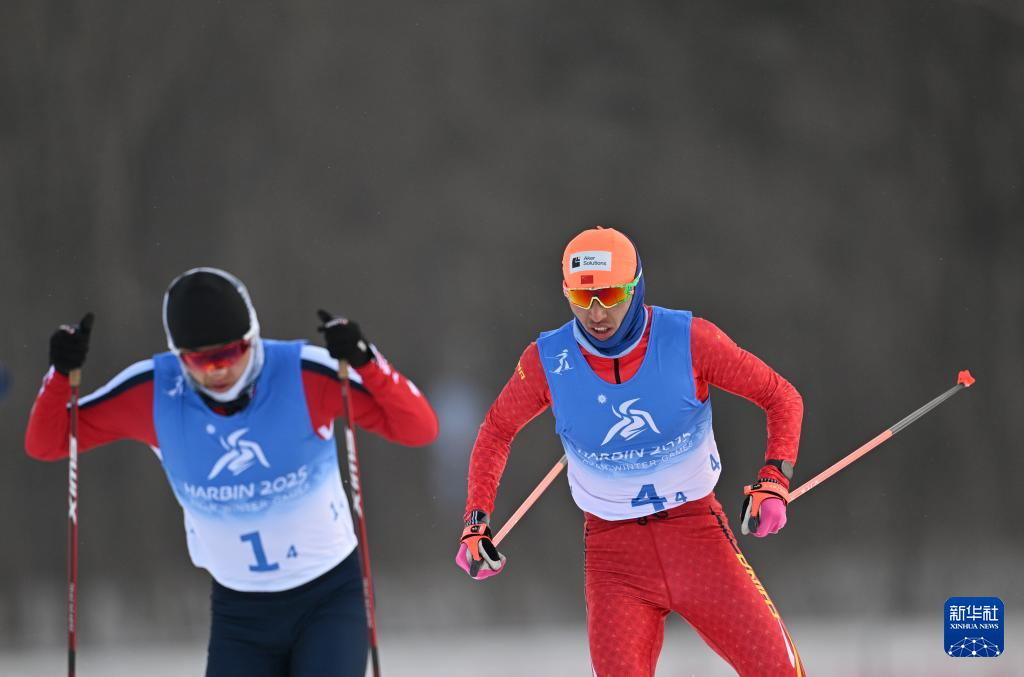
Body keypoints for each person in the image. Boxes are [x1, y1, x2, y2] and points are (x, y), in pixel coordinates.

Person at [26, 267, 438, 677]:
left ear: (252, 339)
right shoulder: (154, 393)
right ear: (178, 355)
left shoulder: (303, 373)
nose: (218, 371)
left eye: (230, 354)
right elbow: (48, 442)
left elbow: (418, 428)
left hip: (329, 597)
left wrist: (366, 361)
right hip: (241, 612)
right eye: (200, 361)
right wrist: (61, 375)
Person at [455, 227, 806, 676]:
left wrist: (774, 478)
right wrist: (475, 523)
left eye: (611, 295)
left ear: (636, 287)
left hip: (697, 538)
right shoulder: (548, 360)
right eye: (582, 300)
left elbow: (781, 396)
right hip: (614, 558)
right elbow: (496, 431)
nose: (598, 313)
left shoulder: (688, 339)